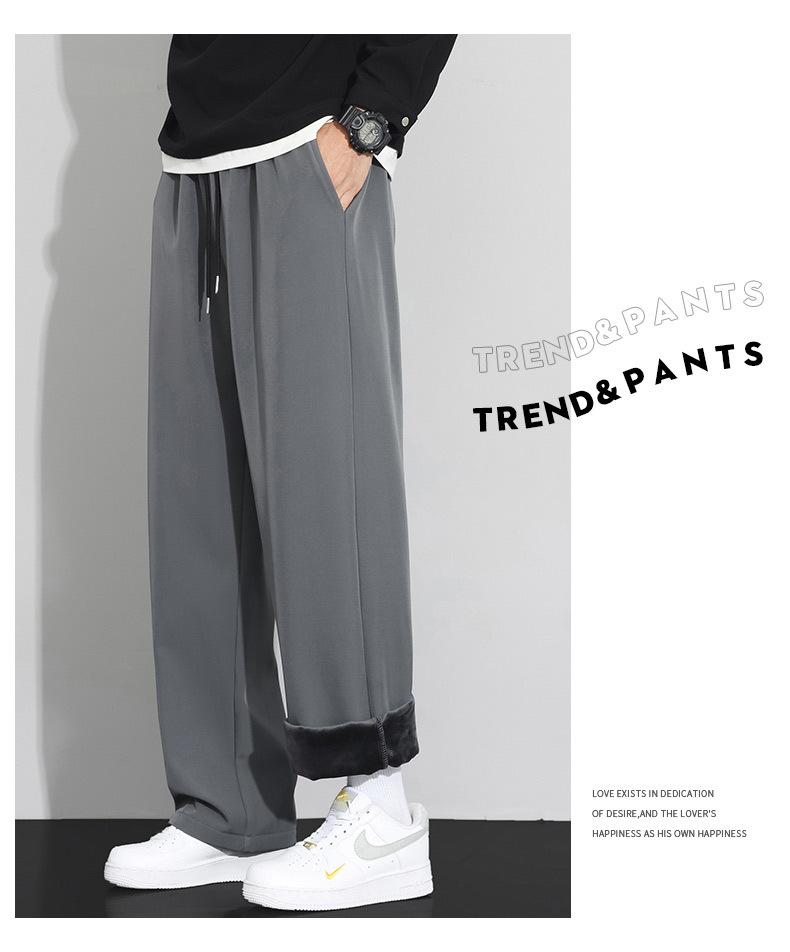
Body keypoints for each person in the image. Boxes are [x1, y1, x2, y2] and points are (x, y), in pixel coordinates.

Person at [104, 34, 455, 912]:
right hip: (194, 156)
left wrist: (371, 119)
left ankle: (380, 809)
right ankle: (229, 811)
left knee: (328, 483)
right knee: (199, 500)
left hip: (313, 142)